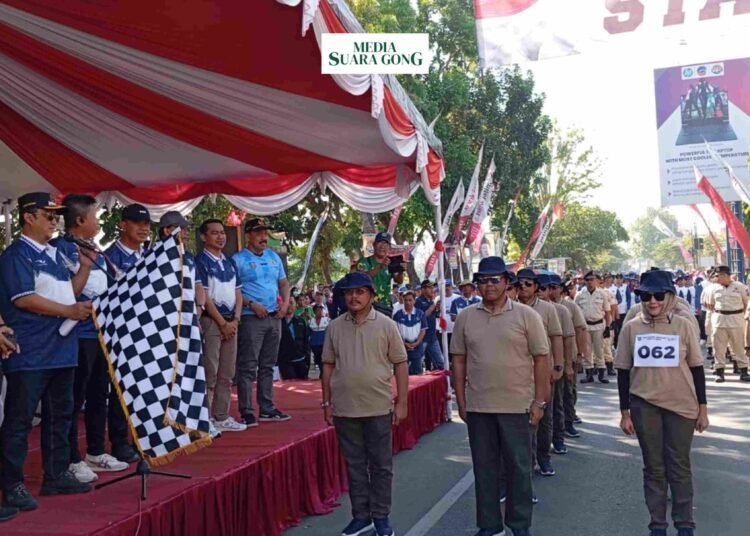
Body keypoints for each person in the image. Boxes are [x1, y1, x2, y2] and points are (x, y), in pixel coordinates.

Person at [0, 192, 94, 513]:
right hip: (31, 349)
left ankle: (56, 474)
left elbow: (70, 293)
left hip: (60, 347)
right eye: (48, 214)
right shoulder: (16, 255)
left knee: (61, 415)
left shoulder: (54, 254)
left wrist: (83, 268)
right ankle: (11, 484)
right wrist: (68, 311)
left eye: (56, 215)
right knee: (20, 419)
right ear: (28, 217)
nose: (54, 220)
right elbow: (23, 299)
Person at [452, 257, 550, 536]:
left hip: (518, 406)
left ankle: (519, 525)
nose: (489, 285)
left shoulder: (526, 316)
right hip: (480, 406)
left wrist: (539, 401)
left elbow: (541, 359)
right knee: (484, 470)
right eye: (483, 280)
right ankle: (490, 525)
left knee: (519, 469)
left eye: (495, 279)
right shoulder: (466, 317)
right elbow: (458, 360)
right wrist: (461, 401)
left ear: (508, 283)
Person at [615, 270, 709, 536]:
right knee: (654, 467)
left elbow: (697, 369)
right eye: (646, 296)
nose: (652, 301)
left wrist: (703, 409)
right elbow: (623, 370)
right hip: (644, 406)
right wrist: (625, 413)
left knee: (679, 466)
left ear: (670, 296)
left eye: (658, 295)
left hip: (682, 407)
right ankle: (657, 525)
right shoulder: (631, 327)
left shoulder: (684, 325)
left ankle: (685, 525)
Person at [321, 272, 408, 536]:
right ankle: (361, 516)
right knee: (354, 465)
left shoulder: (386, 324)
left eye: (360, 292)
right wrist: (326, 402)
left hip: (378, 407)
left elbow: (401, 363)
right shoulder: (334, 327)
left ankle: (381, 516)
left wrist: (402, 401)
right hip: (345, 409)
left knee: (381, 466)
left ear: (371, 295)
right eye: (349, 292)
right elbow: (327, 366)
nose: (354, 297)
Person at [51, 195, 129, 483]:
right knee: (74, 398)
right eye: (95, 216)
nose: (99, 221)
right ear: (80, 220)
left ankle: (95, 451)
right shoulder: (61, 248)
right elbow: (66, 292)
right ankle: (71, 457)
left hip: (101, 333)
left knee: (100, 394)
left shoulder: (94, 248)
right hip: (76, 335)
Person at [101, 204, 156, 464]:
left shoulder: (151, 255)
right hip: (121, 333)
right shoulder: (109, 256)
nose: (143, 228)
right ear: (123, 224)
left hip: (149, 330)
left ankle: (146, 435)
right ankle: (120, 440)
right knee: (121, 390)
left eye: (146, 224)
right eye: (136, 222)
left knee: (147, 386)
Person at [233, 218, 292, 426]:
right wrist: (250, 304)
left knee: (268, 365)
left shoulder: (274, 257)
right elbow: (233, 289)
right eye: (258, 233)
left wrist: (285, 303)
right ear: (248, 234)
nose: (263, 237)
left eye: (265, 232)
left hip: (274, 317)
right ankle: (247, 410)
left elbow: (283, 283)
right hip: (251, 318)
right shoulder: (238, 259)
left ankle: (266, 407)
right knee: (248, 365)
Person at [195, 219, 247, 435]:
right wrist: (222, 322)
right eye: (214, 233)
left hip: (230, 322)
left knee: (227, 373)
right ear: (203, 237)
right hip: (212, 321)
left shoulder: (229, 262)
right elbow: (205, 297)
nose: (220, 236)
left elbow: (238, 293)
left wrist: (235, 320)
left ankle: (222, 416)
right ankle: (204, 419)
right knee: (210, 372)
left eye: (222, 232)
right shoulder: (201, 262)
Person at [516, 268, 563, 478]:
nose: (523, 288)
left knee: (544, 417)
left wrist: (559, 366)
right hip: (519, 373)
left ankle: (544, 458)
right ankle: (529, 463)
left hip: (543, 371)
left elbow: (556, 337)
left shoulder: (547, 309)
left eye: (528, 284)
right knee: (525, 423)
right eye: (520, 284)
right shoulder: (511, 309)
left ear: (536, 287)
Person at [538, 274, 575, 456]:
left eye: (545, 288)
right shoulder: (521, 309)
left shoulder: (560, 311)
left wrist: (565, 365)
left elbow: (566, 339)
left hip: (552, 367)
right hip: (528, 370)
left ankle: (558, 440)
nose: (543, 292)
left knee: (555, 407)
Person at [706, 266, 750, 382]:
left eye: (717, 275)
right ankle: (720, 372)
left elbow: (747, 303)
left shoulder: (740, 287)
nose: (716, 278)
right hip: (719, 320)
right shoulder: (714, 288)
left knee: (739, 346)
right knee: (718, 347)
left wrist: (740, 315)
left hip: (736, 319)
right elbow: (710, 304)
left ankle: (744, 371)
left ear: (725, 275)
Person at [556, 276, 587, 437]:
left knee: (569, 391)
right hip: (551, 359)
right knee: (555, 397)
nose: (551, 290)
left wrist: (581, 354)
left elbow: (581, 329)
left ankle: (569, 421)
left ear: (561, 289)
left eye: (555, 287)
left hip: (569, 356)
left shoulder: (569, 307)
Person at [575, 270, 611, 384]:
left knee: (600, 350)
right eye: (587, 280)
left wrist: (608, 327)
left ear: (596, 281)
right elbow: (575, 312)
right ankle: (589, 374)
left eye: (592, 279)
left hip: (599, 325)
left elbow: (607, 311)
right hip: (585, 326)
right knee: (587, 351)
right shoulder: (580, 295)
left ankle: (601, 374)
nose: (590, 282)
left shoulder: (602, 294)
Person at [355, 232, 405, 316]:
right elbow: (362, 278)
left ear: (389, 248)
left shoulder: (391, 263)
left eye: (386, 244)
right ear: (374, 245)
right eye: (380, 242)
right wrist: (380, 267)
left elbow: (399, 281)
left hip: (385, 306)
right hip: (367, 306)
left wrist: (401, 271)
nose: (382, 246)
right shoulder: (364, 262)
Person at [392, 288, 427, 375]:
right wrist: (404, 343)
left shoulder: (420, 314)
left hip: (416, 347)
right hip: (402, 348)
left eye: (410, 300)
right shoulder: (397, 315)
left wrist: (417, 343)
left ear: (414, 301)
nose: (408, 302)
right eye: (406, 300)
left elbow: (423, 330)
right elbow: (395, 332)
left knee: (417, 375)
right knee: (401, 374)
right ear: (403, 301)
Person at [415, 280, 445, 371]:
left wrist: (437, 309)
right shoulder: (418, 302)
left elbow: (434, 316)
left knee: (441, 361)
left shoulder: (431, 301)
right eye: (429, 288)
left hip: (432, 336)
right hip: (422, 337)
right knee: (418, 362)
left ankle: (445, 381)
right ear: (423, 289)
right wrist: (432, 308)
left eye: (432, 288)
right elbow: (421, 316)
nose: (432, 290)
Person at [278, 307, 310, 380]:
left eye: (291, 303)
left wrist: (307, 359)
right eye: (287, 303)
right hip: (285, 361)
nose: (289, 305)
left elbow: (306, 341)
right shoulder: (279, 321)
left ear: (295, 305)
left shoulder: (301, 321)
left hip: (301, 360)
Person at [308, 304, 330, 371]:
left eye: (321, 310)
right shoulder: (310, 321)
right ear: (314, 312)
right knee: (317, 356)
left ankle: (323, 372)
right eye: (318, 310)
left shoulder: (327, 320)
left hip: (324, 343)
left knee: (323, 358)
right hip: (314, 343)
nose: (320, 312)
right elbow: (309, 333)